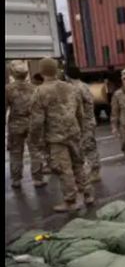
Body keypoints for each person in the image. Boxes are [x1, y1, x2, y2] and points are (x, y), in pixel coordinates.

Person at [29, 58, 94, 212]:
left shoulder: (40, 91)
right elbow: (80, 113)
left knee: (64, 169)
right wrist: (80, 129)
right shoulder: (71, 88)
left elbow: (37, 121)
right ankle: (88, 194)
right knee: (78, 164)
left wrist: (35, 140)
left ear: (42, 72)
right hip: (73, 132)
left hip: (56, 137)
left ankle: (70, 201)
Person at [5, 60, 46, 189]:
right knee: (35, 150)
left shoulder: (8, 89)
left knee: (15, 152)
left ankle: (16, 180)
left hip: (15, 124)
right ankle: (38, 179)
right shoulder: (34, 88)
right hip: (32, 123)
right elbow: (40, 108)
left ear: (12, 73)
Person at [65, 66, 102, 182]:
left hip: (84, 122)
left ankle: (94, 172)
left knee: (87, 147)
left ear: (68, 76)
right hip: (89, 120)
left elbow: (76, 108)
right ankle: (94, 170)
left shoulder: (75, 88)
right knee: (90, 146)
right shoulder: (85, 86)